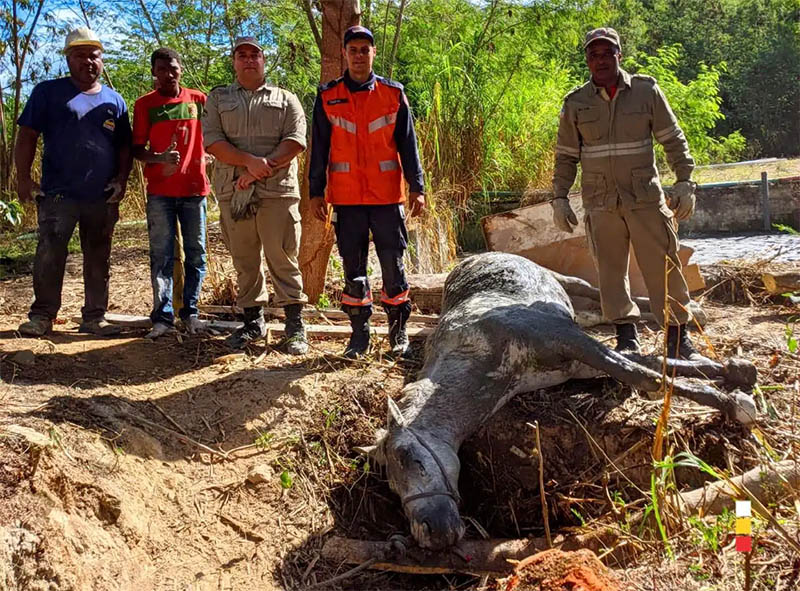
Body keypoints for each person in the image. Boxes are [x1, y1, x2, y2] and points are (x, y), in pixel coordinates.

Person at [551, 27, 700, 359]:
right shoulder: (576, 103)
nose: (601, 60)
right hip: (601, 202)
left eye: (607, 53)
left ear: (619, 55)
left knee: (663, 267)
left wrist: (685, 182)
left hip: (645, 198)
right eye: (594, 55)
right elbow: (565, 156)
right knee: (610, 272)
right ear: (587, 60)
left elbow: (673, 140)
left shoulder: (645, 92)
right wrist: (559, 197)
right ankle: (626, 337)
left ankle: (678, 340)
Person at [309, 25, 426, 359]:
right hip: (346, 201)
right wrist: (316, 192)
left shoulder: (392, 94)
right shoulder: (328, 96)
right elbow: (319, 150)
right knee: (353, 270)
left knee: (393, 265)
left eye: (365, 49)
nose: (359, 56)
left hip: (387, 198)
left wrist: (417, 188)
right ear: (344, 54)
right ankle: (359, 337)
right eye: (353, 50)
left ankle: (397, 332)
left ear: (373, 53)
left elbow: (409, 146)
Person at [16, 27, 132, 337]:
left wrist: (121, 180)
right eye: (80, 55)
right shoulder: (47, 92)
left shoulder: (114, 100)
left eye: (94, 55)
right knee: (50, 252)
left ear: (102, 59)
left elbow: (124, 146)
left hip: (101, 196)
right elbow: (27, 135)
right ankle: (42, 316)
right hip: (58, 194)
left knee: (98, 255)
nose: (88, 61)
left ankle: (95, 317)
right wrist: (24, 178)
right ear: (68, 59)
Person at [201, 36, 309, 353]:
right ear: (234, 62)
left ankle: (294, 327)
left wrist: (260, 170)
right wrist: (249, 163)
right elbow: (212, 142)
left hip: (277, 191)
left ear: (264, 61)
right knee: (245, 259)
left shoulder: (286, 98)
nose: (249, 59)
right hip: (234, 191)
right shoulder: (218, 99)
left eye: (255, 55)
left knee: (282, 257)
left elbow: (295, 141)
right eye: (242, 55)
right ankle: (252, 323)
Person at [133, 48, 209, 339]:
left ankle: (191, 313)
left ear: (181, 69)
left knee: (196, 254)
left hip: (194, 190)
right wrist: (158, 158)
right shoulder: (144, 105)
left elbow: (216, 133)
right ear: (154, 72)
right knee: (161, 256)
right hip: (160, 194)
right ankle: (162, 318)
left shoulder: (198, 100)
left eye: (173, 68)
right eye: (161, 69)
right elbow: (138, 149)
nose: (168, 74)